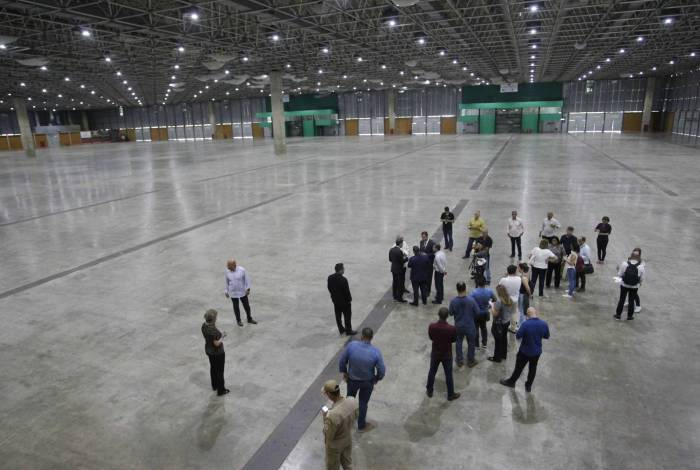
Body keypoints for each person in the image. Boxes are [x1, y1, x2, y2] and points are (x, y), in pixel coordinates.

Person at [339, 327, 385, 432]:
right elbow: (382, 370)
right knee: (363, 402)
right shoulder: (375, 352)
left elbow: (342, 361)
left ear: (361, 336)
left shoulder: (351, 346)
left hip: (352, 380)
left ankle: (346, 422)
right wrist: (377, 378)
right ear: (371, 338)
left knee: (349, 400)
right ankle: (361, 426)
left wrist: (345, 373)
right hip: (367, 382)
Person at [500, 307, 550, 392]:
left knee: (518, 368)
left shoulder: (526, 324)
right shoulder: (544, 324)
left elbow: (518, 336)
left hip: (525, 352)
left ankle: (511, 382)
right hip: (537, 352)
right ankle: (528, 386)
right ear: (535, 313)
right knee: (533, 368)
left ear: (527, 315)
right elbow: (547, 336)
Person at [321, 379, 359, 470]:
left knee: (332, 467)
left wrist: (325, 417)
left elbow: (328, 435)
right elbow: (356, 416)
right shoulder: (352, 401)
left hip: (335, 446)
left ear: (329, 394)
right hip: (347, 439)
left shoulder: (332, 415)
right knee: (348, 464)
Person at [426, 307, 461, 401]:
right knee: (448, 374)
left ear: (438, 314)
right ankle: (450, 394)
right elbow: (454, 340)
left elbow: (431, 337)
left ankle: (429, 390)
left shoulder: (432, 326)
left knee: (432, 371)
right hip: (447, 354)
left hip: (435, 353)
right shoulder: (452, 329)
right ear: (447, 316)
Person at [449, 282, 479, 368]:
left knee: (458, 342)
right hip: (470, 325)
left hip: (458, 325)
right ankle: (471, 361)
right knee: (471, 342)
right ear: (465, 289)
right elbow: (477, 312)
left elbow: (450, 313)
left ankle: (459, 360)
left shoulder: (453, 301)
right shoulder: (471, 300)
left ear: (457, 289)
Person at [201, 309, 229, 396]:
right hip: (217, 353)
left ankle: (214, 385)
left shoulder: (204, 326)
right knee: (220, 371)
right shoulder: (212, 330)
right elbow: (216, 344)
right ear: (213, 319)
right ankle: (221, 390)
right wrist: (222, 337)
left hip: (209, 350)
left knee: (213, 368)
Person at [224, 259, 257, 326]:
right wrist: (226, 291)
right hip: (233, 293)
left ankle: (249, 318)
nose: (228, 267)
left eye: (229, 266)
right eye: (227, 265)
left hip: (242, 292)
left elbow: (247, 279)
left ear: (234, 265)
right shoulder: (227, 272)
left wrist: (248, 288)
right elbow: (226, 282)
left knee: (246, 306)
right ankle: (238, 321)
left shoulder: (242, 270)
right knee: (236, 307)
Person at [327, 263, 357, 336]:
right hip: (345, 302)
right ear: (340, 270)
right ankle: (348, 331)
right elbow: (346, 291)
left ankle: (341, 330)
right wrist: (349, 299)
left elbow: (329, 288)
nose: (344, 270)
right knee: (347, 316)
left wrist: (333, 296)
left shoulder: (330, 277)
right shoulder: (343, 280)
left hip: (336, 301)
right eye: (343, 269)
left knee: (338, 316)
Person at [489, 285, 516, 362]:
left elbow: (495, 314)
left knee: (498, 341)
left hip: (499, 324)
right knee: (504, 339)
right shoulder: (510, 299)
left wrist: (491, 306)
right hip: (507, 322)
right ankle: (504, 355)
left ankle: (497, 358)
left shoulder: (499, 302)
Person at [615, 250, 645, 320]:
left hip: (624, 285)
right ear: (639, 257)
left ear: (631, 255)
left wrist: (618, 271)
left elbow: (620, 274)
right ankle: (629, 316)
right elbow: (642, 278)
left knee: (622, 299)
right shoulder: (641, 267)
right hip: (634, 286)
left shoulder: (625, 264)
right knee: (631, 300)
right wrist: (639, 283)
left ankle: (618, 315)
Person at [469, 276, 496, 350]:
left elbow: (469, 302)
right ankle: (484, 343)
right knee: (484, 328)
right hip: (485, 313)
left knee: (476, 328)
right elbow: (494, 299)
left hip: (476, 313)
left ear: (477, 283)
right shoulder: (489, 291)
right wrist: (489, 306)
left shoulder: (474, 292)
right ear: (485, 283)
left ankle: (476, 344)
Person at [389, 237, 408, 303]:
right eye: (402, 243)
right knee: (400, 283)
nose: (402, 244)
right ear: (400, 244)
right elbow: (402, 261)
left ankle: (394, 296)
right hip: (399, 269)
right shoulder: (399, 251)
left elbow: (390, 259)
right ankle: (399, 298)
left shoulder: (391, 250)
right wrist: (406, 258)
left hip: (393, 268)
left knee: (394, 282)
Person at [515, 263, 531, 332]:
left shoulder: (524, 277)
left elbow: (527, 288)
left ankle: (521, 325)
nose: (517, 269)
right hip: (521, 294)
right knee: (521, 309)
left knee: (522, 310)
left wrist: (530, 294)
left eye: (518, 268)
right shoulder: (524, 275)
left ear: (521, 269)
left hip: (523, 295)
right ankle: (520, 323)